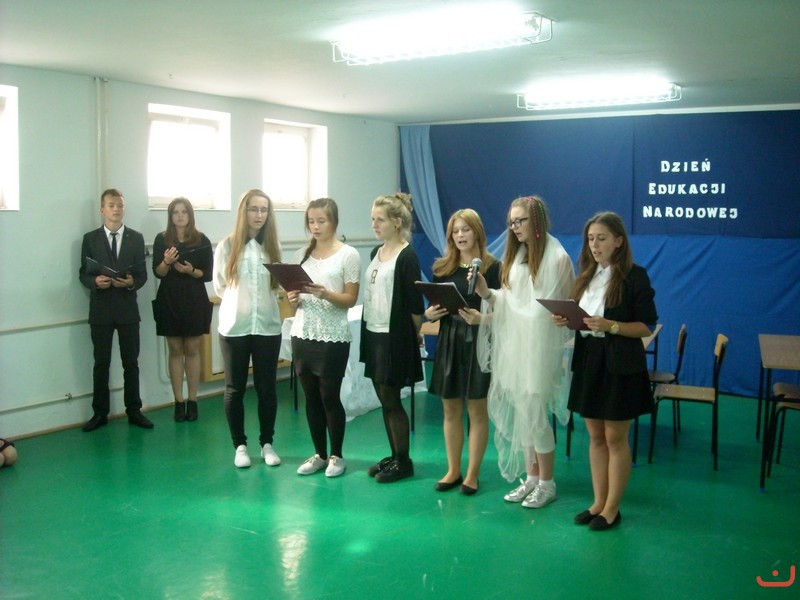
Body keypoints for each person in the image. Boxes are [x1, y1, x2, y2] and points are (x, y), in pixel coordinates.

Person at [555, 211, 657, 531]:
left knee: (615, 437)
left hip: (620, 363)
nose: (594, 245)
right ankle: (598, 503)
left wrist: (611, 326)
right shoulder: (586, 275)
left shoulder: (635, 276)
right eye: (590, 239)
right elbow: (585, 320)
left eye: (601, 238)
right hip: (590, 360)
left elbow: (646, 326)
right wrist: (567, 319)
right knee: (595, 435)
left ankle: (612, 508)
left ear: (618, 242)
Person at [473, 195, 574, 507]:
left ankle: (547, 482)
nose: (515, 227)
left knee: (535, 414)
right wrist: (486, 292)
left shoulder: (558, 257)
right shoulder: (517, 257)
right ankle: (532, 477)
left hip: (539, 348)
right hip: (515, 347)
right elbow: (509, 300)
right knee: (523, 413)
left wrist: (562, 316)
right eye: (511, 222)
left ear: (537, 221)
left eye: (520, 221)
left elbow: (568, 304)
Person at [425, 209, 500, 496]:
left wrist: (483, 319)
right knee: (450, 407)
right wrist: (430, 314)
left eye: (465, 229)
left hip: (479, 340)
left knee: (477, 409)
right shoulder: (442, 268)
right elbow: (434, 306)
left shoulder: (493, 268)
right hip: (450, 339)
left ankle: (472, 474)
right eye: (455, 231)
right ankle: (453, 469)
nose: (460, 235)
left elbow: (505, 311)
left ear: (477, 232)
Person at [287, 198, 361, 478]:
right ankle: (319, 454)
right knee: (311, 397)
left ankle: (336, 455)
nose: (316, 226)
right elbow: (294, 300)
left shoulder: (348, 255)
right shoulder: (301, 255)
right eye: (311, 221)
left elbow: (350, 299)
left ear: (334, 221)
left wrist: (326, 294)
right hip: (302, 332)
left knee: (329, 395)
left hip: (333, 336)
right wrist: (292, 298)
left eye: (322, 221)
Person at [213, 189, 283, 469]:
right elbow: (220, 286)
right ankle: (240, 446)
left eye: (264, 209)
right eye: (254, 209)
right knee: (235, 389)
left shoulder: (273, 247)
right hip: (235, 328)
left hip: (267, 327)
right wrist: (240, 304)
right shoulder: (227, 246)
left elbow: (276, 285)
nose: (259, 215)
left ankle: (267, 443)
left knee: (267, 388)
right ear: (244, 211)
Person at [360, 192, 424, 483]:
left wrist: (414, 335)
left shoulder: (407, 256)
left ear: (397, 222)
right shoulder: (376, 252)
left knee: (391, 397)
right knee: (383, 397)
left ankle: (404, 461)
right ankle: (394, 454)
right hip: (374, 332)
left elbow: (414, 305)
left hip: (394, 337)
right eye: (373, 219)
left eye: (380, 220)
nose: (374, 225)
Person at [79, 188, 152, 431]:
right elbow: (83, 273)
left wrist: (131, 283)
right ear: (102, 210)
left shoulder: (136, 238)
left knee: (131, 363)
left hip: (127, 310)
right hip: (100, 310)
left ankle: (134, 411)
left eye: (120, 205)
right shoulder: (90, 239)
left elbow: (142, 275)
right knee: (101, 363)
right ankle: (100, 413)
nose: (116, 209)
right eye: (111, 205)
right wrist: (94, 282)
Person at [152, 197, 213, 422]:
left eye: (184, 211)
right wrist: (166, 262)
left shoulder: (202, 240)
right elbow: (158, 273)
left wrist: (190, 270)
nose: (180, 216)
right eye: (175, 212)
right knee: (175, 349)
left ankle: (193, 400)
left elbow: (207, 274)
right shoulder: (162, 239)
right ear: (170, 216)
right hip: (170, 298)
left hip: (194, 298)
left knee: (192, 348)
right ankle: (178, 401)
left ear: (190, 215)